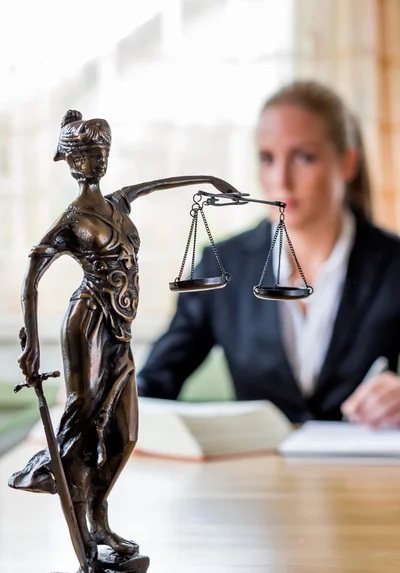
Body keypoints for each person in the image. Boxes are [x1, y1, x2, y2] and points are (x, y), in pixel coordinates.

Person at [8, 109, 237, 561]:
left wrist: (209, 178)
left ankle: (98, 514)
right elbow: (33, 274)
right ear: (72, 163)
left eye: (102, 153)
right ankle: (84, 522)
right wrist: (31, 344)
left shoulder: (119, 202)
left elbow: (158, 184)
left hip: (120, 325)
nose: (97, 162)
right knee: (84, 419)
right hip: (86, 322)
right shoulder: (72, 218)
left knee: (126, 432)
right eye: (88, 155)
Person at [137, 80, 400, 429]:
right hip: (257, 476)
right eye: (267, 158)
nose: (281, 180)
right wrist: (106, 396)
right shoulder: (224, 263)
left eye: (304, 157)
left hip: (364, 478)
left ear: (347, 163)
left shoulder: (393, 263)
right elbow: (155, 381)